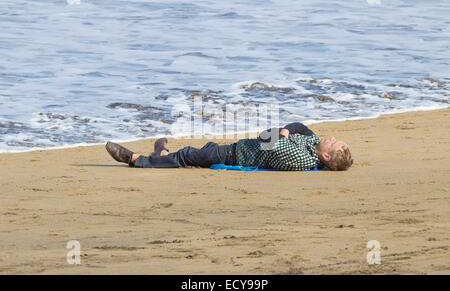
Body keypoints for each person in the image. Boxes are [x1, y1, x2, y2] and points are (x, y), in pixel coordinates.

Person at [105, 122, 353, 171]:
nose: (330, 138)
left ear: (327, 156)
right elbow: (300, 125)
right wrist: (287, 131)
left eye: (333, 142)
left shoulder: (301, 158)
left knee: (190, 155)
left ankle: (137, 159)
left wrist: (283, 132)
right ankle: (162, 154)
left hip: (238, 155)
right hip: (238, 147)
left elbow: (266, 137)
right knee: (204, 149)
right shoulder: (313, 143)